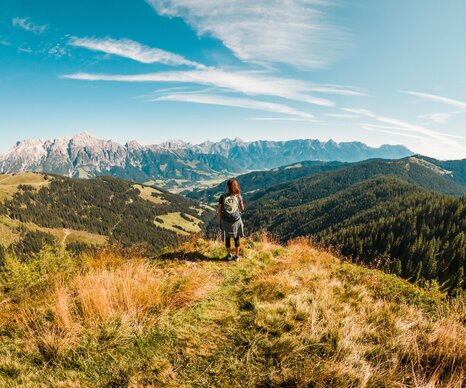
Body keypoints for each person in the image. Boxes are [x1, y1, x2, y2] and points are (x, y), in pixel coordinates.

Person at [218, 179, 245, 261]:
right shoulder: (238, 196)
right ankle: (237, 256)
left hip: (226, 221)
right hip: (236, 220)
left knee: (227, 238)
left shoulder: (222, 197)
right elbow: (242, 209)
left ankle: (229, 255)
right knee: (236, 238)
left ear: (228, 187)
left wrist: (219, 221)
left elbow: (219, 210)